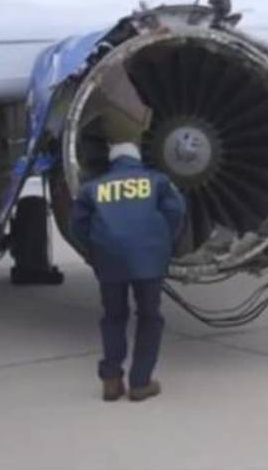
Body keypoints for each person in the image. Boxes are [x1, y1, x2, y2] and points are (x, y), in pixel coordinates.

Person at [70, 139, 186, 401]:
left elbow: (77, 226)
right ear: (137, 159)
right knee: (149, 317)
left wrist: (95, 252)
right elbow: (176, 212)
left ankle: (111, 380)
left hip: (110, 263)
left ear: (113, 162)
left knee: (113, 317)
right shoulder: (157, 182)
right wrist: (163, 244)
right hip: (149, 261)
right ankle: (140, 382)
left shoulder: (93, 188)